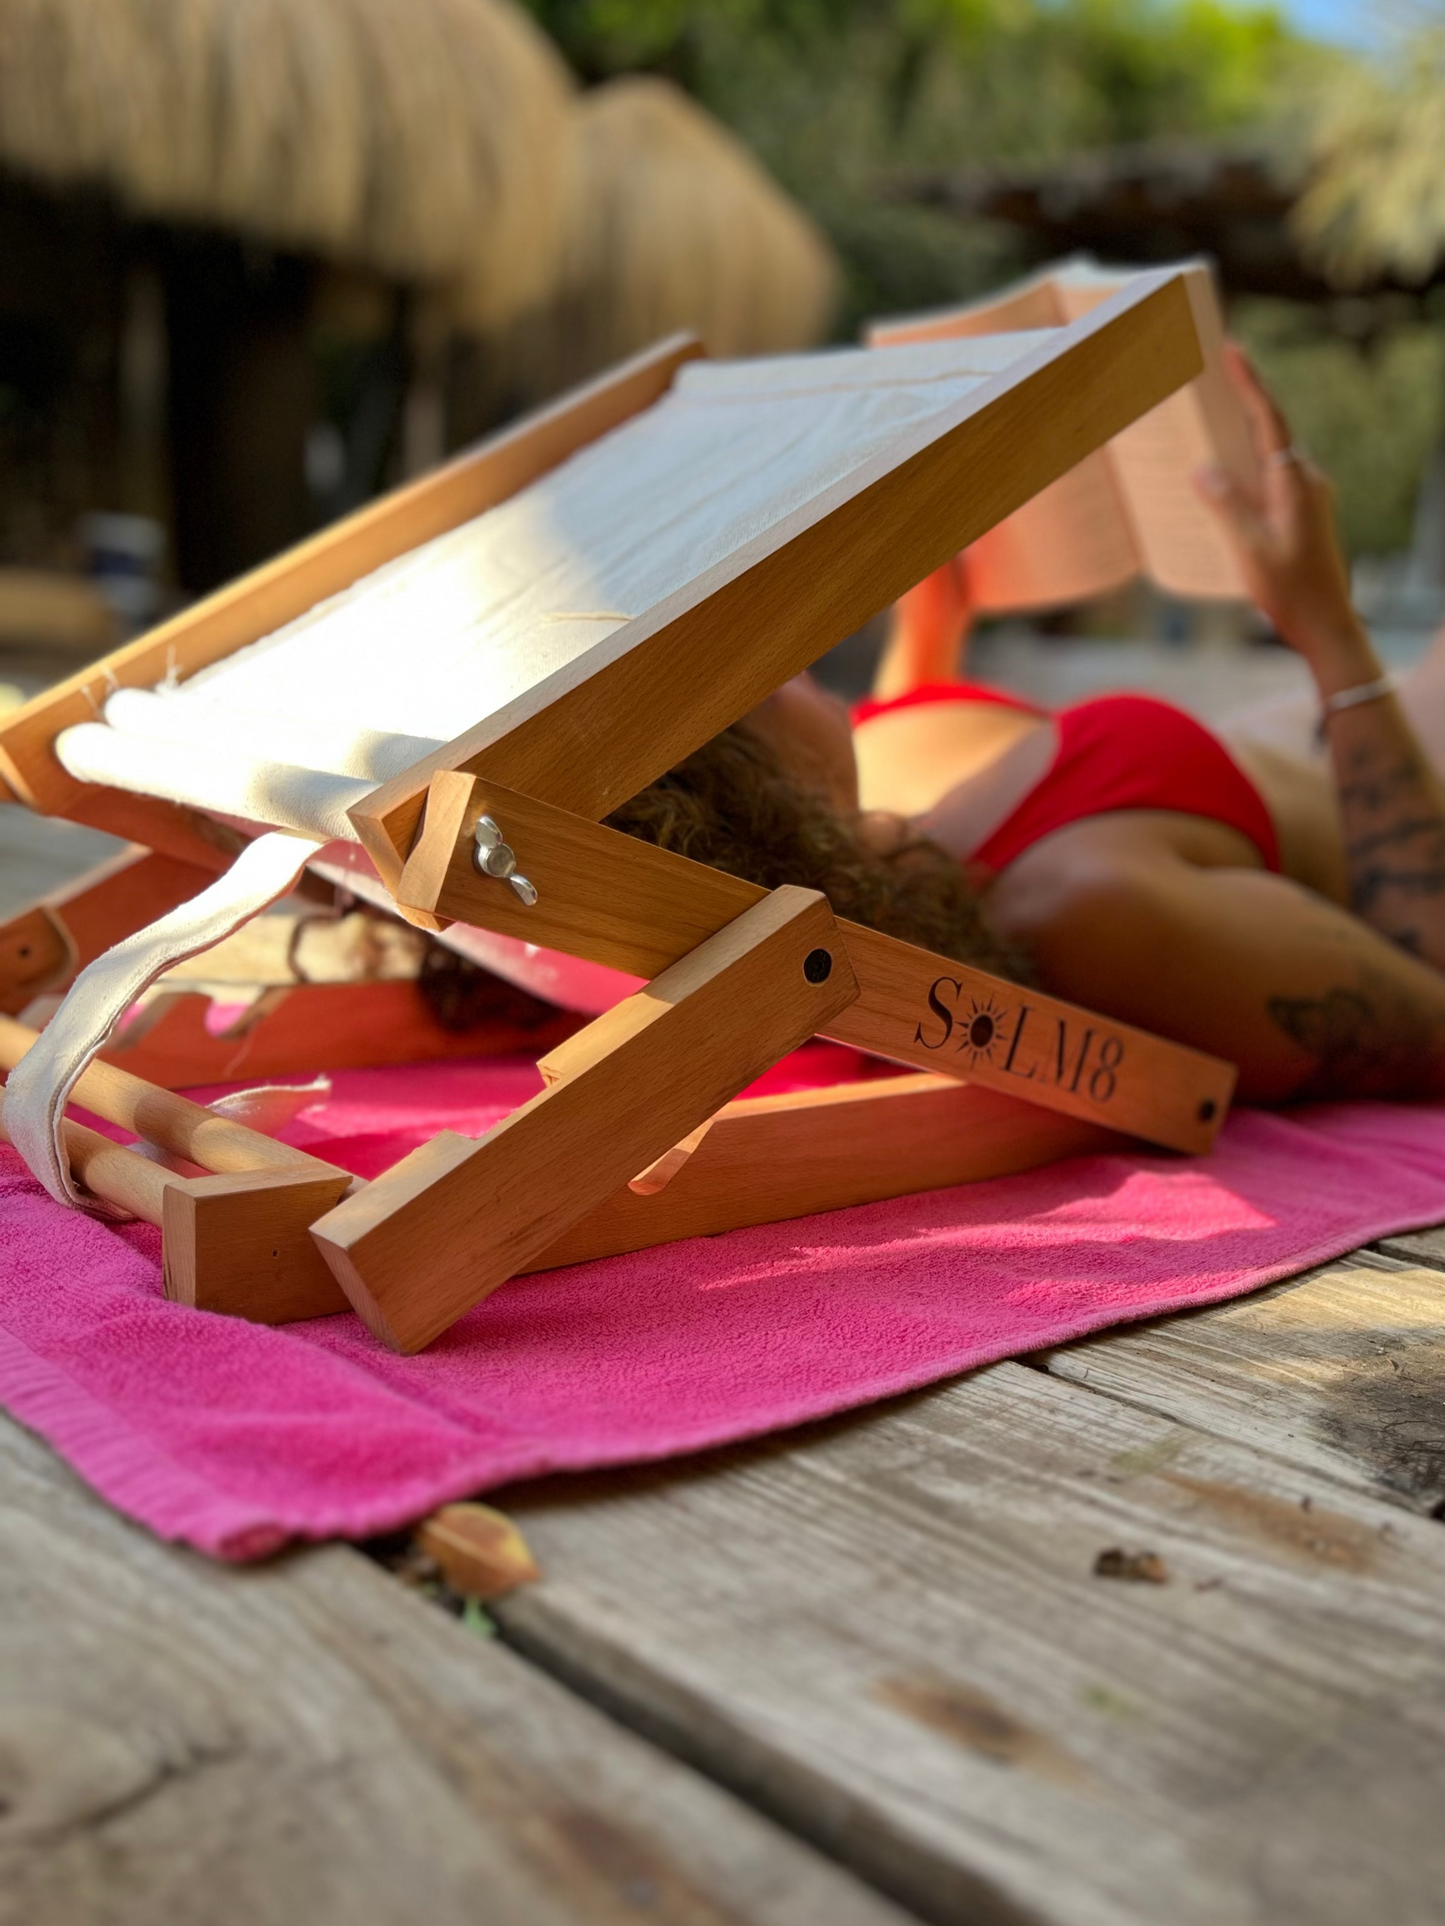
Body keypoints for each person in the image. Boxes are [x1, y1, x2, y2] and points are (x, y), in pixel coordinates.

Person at [609, 348, 1445, 1104]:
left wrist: (930, 629)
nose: (784, 662)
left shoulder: (871, 832)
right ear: (763, 798)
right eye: (751, 686)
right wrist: (1323, 624)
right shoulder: (1089, 909)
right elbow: (1428, 998)